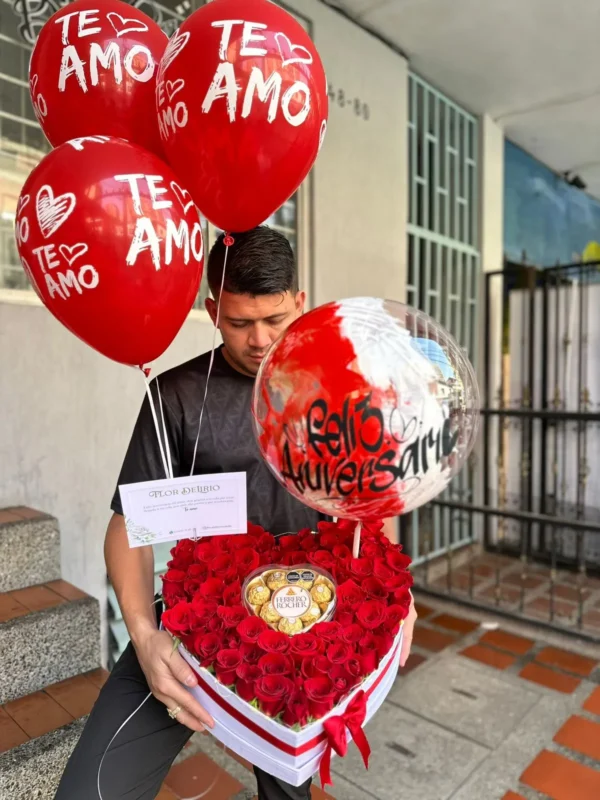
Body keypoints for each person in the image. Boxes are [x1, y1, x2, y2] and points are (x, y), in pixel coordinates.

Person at [54, 226, 417, 800]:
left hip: (302, 635)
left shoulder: (341, 390)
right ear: (211, 310)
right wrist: (145, 635)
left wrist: (397, 598)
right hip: (198, 626)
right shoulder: (175, 395)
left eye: (275, 320)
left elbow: (372, 503)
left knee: (287, 789)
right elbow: (129, 523)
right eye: (239, 323)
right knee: (91, 791)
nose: (259, 339)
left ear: (300, 303)